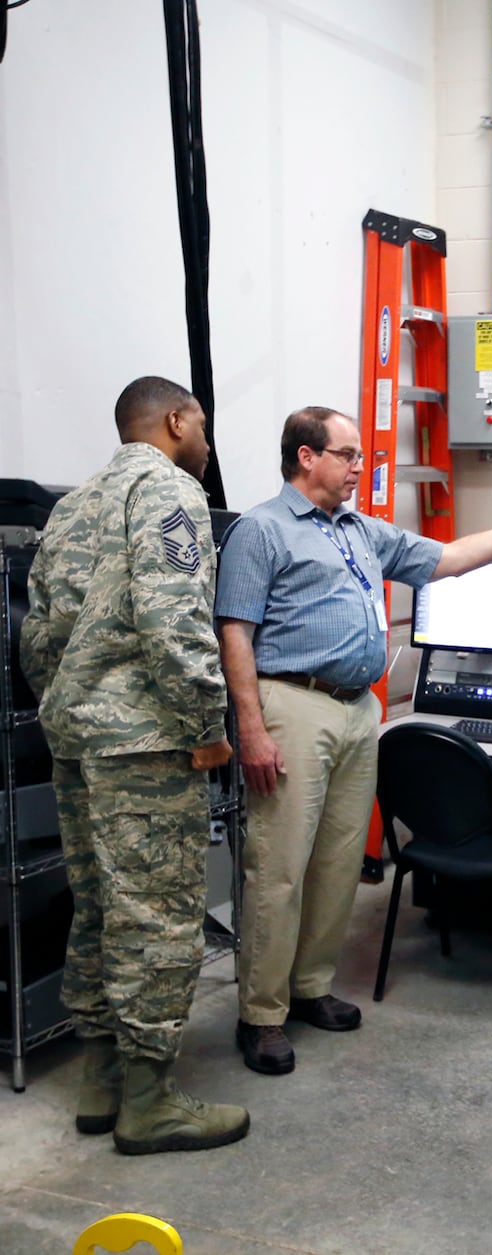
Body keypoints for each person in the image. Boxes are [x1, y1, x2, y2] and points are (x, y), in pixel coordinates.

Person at [216, 406, 492, 1075]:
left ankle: (310, 987)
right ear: (307, 456)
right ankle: (260, 1013)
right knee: (279, 868)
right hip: (292, 703)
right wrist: (250, 728)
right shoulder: (262, 530)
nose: (357, 467)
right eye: (348, 455)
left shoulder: (360, 531)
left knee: (340, 860)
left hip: (353, 710)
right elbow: (235, 634)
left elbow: (447, 559)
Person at [20, 375, 250, 1155]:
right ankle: (150, 1102)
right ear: (177, 421)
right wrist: (205, 724)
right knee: (157, 913)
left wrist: (72, 704)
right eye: (205, 428)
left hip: (79, 741)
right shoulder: (170, 493)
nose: (208, 445)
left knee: (99, 905)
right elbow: (174, 619)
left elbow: (37, 632)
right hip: (148, 745)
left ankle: (102, 1080)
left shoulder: (72, 505)